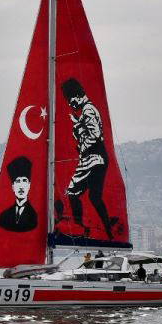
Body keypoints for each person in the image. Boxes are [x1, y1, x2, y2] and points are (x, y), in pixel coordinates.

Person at [56, 79, 120, 240]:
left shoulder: (88, 110)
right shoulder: (88, 110)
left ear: (77, 95)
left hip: (92, 158)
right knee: (94, 196)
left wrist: (79, 132)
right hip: (100, 158)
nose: (71, 104)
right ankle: (108, 228)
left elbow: (95, 135)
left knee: (72, 191)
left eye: (71, 100)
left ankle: (77, 227)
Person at [0, 156, 38, 232]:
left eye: (24, 181)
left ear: (29, 185)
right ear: (13, 187)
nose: (21, 186)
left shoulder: (34, 216)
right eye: (18, 181)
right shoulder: (4, 216)